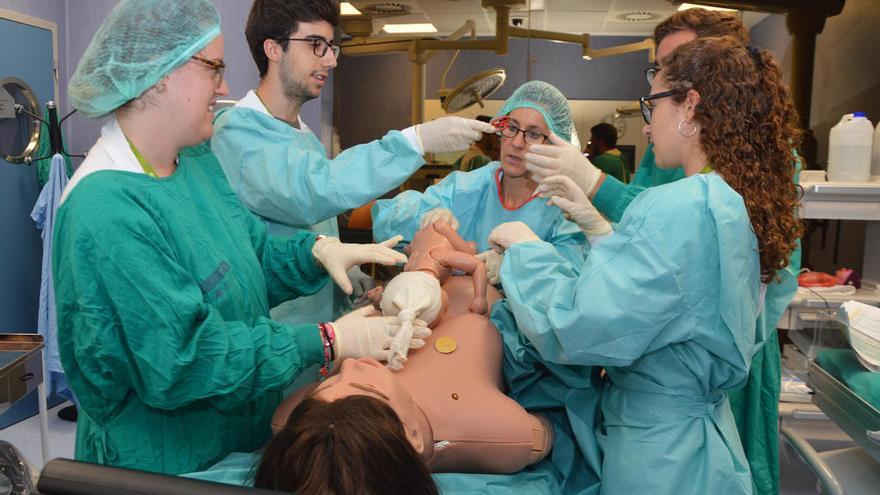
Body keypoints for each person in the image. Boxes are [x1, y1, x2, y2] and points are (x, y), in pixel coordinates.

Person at [54, 0, 427, 475]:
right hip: (165, 463)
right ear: (160, 75)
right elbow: (184, 359)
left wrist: (316, 253)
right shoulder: (105, 209)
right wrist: (326, 341)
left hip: (238, 430)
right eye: (213, 68)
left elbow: (248, 254)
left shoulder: (196, 161)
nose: (225, 86)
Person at [490, 36, 801, 494]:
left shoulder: (681, 207)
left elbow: (576, 328)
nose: (649, 125)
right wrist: (599, 230)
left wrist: (523, 253)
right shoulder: (726, 202)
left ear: (690, 106)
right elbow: (675, 295)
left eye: (652, 105)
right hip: (701, 445)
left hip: (659, 456)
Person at [211, 0, 494, 326]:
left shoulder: (304, 138)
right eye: (316, 45)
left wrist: (343, 273)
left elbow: (315, 229)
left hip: (321, 330)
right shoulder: (237, 132)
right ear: (274, 49)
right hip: (276, 333)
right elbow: (310, 193)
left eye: (332, 47)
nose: (331, 60)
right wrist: (415, 141)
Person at [256, 277, 553, 494]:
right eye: (370, 390)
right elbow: (543, 433)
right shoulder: (502, 435)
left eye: (327, 382)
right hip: (473, 292)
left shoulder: (295, 422)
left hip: (402, 291)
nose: (350, 365)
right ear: (413, 436)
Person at [372, 80, 586, 285]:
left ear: (555, 143)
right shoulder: (467, 187)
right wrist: (421, 220)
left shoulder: (562, 208)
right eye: (511, 127)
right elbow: (386, 222)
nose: (517, 143)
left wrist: (516, 267)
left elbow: (572, 283)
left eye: (533, 134)